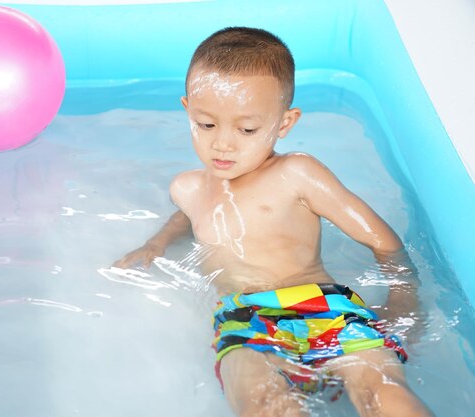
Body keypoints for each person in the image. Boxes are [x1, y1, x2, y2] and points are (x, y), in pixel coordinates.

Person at [114, 27, 433, 417]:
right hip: (245, 320)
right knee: (263, 405)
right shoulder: (187, 188)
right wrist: (157, 244)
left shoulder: (296, 173)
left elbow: (382, 239)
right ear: (187, 111)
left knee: (380, 391)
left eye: (247, 129)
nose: (223, 143)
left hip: (322, 304)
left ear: (284, 124)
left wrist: (404, 297)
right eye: (206, 124)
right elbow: (186, 217)